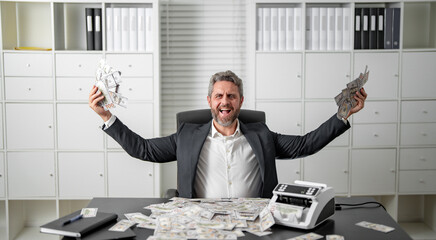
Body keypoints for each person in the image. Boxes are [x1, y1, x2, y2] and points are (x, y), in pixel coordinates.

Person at [89, 70, 367, 198]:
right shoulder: (186, 137)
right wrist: (106, 116)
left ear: (240, 101)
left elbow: (306, 144)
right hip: (202, 224)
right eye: (219, 96)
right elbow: (143, 149)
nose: (225, 102)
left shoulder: (262, 135)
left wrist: (343, 115)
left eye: (231, 96)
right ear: (209, 100)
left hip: (255, 225)